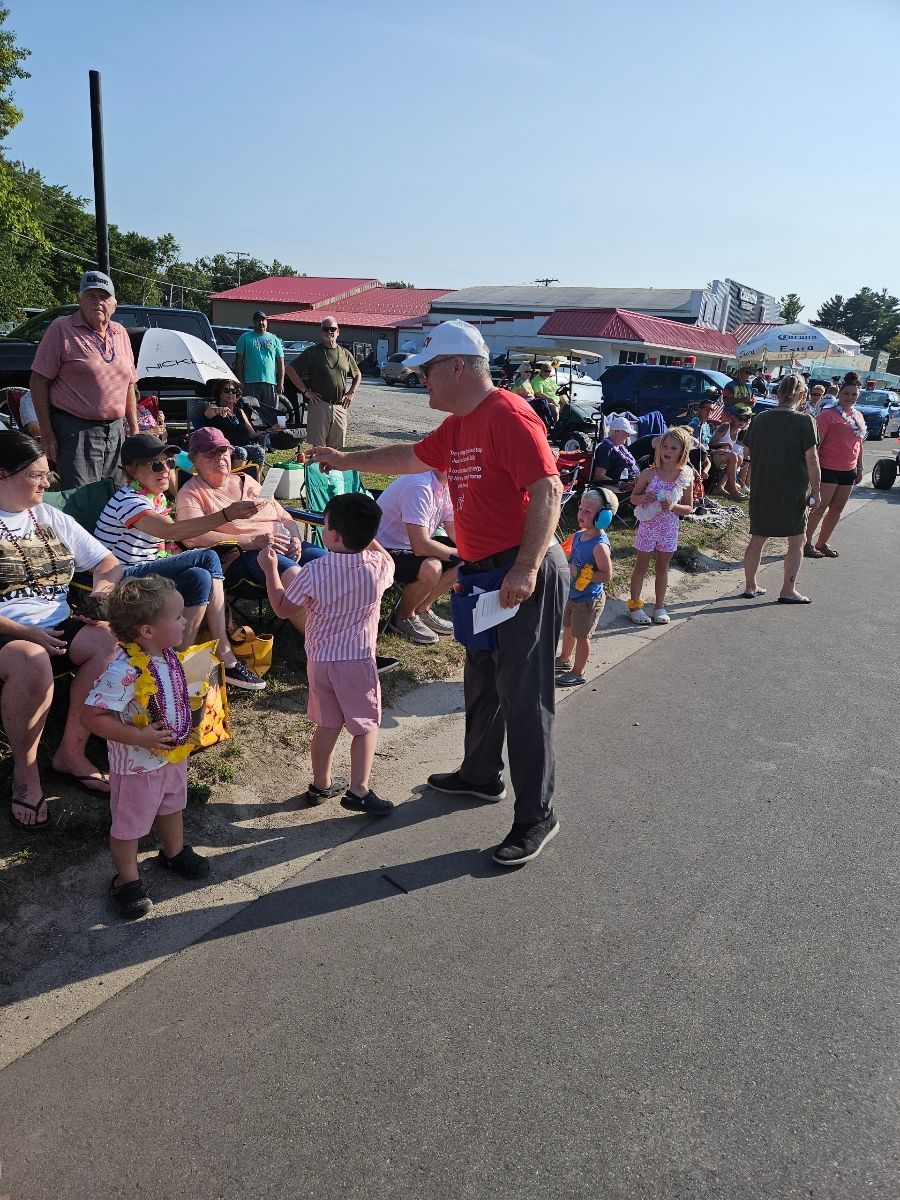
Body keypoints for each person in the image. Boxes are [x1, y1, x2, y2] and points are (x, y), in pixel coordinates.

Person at [306, 318, 566, 868]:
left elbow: (548, 489)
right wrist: (345, 460)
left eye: (426, 370)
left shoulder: (507, 413)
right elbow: (407, 456)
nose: (421, 379)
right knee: (482, 677)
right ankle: (479, 774)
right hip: (483, 572)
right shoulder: (459, 424)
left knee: (524, 696)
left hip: (521, 573)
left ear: (456, 366)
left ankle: (536, 815)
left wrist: (526, 566)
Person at [0, 430, 121, 829]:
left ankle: (70, 752)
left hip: (54, 622)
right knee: (31, 659)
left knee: (108, 639)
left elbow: (108, 564)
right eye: (36, 475)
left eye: (47, 473)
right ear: (3, 474)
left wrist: (99, 600)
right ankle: (26, 772)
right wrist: (25, 632)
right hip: (7, 629)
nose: (47, 482)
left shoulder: (47, 516)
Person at [93, 433, 266, 691]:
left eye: (169, 463)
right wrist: (226, 514)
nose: (165, 470)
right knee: (206, 557)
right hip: (123, 579)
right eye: (155, 465)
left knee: (200, 576)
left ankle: (174, 663)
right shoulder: (128, 501)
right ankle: (225, 652)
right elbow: (171, 532)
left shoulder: (157, 499)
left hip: (147, 574)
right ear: (130, 471)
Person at [82, 576, 211, 919]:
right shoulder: (123, 671)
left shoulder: (168, 657)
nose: (185, 621)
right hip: (137, 767)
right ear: (147, 632)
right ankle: (126, 880)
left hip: (171, 757)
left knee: (172, 805)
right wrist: (139, 737)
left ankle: (173, 852)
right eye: (179, 616)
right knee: (129, 823)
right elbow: (91, 717)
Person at [260, 493, 395, 816]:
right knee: (364, 725)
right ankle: (359, 790)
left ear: (332, 535)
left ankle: (321, 783)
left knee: (328, 724)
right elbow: (385, 557)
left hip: (320, 660)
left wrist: (270, 571)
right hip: (357, 661)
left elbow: (282, 609)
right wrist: (371, 539)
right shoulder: (378, 567)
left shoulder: (314, 571)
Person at [175, 427, 326, 635]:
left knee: (326, 563)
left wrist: (296, 539)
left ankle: (340, 633)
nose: (219, 458)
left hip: (284, 544)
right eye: (210, 454)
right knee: (293, 574)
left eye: (223, 451)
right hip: (242, 556)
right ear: (194, 461)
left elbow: (285, 517)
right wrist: (254, 541)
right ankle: (320, 645)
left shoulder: (249, 481)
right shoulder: (192, 492)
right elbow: (192, 537)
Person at [29, 270, 139, 488]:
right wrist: (47, 433)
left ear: (114, 305)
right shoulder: (61, 328)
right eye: (91, 295)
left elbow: (129, 385)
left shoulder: (121, 333)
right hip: (75, 430)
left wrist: (134, 429)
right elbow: (38, 381)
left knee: (117, 495)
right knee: (82, 498)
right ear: (79, 299)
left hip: (116, 431)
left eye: (103, 296)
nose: (97, 301)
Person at [741, 374, 821, 604]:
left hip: (763, 485)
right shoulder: (805, 421)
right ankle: (788, 589)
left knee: (758, 537)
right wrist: (816, 490)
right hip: (793, 488)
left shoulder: (760, 419)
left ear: (777, 393)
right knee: (797, 540)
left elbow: (747, 453)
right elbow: (812, 459)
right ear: (803, 395)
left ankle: (750, 585)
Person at [376, 469, 459, 644]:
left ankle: (422, 607)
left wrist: (476, 550)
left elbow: (454, 532)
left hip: (409, 547)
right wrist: (460, 554)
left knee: (469, 558)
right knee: (432, 567)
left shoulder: (446, 485)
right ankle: (403, 617)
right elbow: (421, 546)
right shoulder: (419, 485)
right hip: (381, 551)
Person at [626, 427, 694, 626]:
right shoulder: (649, 473)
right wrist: (642, 497)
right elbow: (633, 498)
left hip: (669, 529)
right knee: (641, 566)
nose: (668, 451)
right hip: (648, 526)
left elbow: (689, 508)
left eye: (674, 448)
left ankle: (659, 606)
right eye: (665, 446)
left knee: (662, 568)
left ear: (682, 452)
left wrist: (673, 506)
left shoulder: (685, 477)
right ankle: (634, 606)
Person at [555, 489, 613, 687]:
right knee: (569, 628)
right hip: (573, 594)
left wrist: (581, 575)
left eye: (588, 512)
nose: (581, 514)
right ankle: (564, 659)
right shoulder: (579, 535)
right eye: (581, 509)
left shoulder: (600, 545)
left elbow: (606, 575)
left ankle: (578, 672)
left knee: (582, 636)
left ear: (602, 517)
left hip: (589, 599)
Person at [804, 373, 865, 559]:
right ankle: (806, 543)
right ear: (839, 394)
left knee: (837, 509)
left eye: (854, 394)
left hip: (849, 469)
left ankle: (822, 543)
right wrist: (813, 470)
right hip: (828, 468)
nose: (850, 397)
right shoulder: (827, 415)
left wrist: (860, 467)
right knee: (819, 508)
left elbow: (859, 443)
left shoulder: (858, 415)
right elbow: (817, 444)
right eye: (846, 393)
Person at [285, 317, 361, 449]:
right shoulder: (312, 352)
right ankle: (317, 470)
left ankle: (331, 470)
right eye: (326, 329)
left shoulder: (345, 353)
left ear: (338, 332)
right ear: (321, 332)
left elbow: (358, 374)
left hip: (340, 406)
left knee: (335, 450)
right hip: (320, 404)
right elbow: (290, 369)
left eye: (332, 329)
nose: (329, 332)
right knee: (318, 448)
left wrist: (351, 392)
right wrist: (306, 391)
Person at [234, 311, 285, 431]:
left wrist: (280, 382)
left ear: (267, 322)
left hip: (270, 383)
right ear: (254, 322)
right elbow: (238, 361)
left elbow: (281, 362)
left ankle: (273, 440)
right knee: (250, 413)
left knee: (272, 414)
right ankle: (252, 438)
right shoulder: (245, 338)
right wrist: (240, 381)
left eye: (263, 320)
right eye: (258, 320)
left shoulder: (274, 339)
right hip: (250, 383)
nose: (261, 323)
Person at [202, 379, 267, 467]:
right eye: (226, 391)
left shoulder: (239, 411)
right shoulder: (215, 407)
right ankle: (234, 479)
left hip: (243, 445)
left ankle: (256, 479)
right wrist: (219, 410)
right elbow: (207, 413)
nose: (230, 393)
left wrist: (270, 430)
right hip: (224, 447)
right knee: (241, 452)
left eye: (233, 391)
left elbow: (252, 434)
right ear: (219, 393)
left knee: (259, 451)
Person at [709, 406, 752, 497]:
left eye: (745, 420)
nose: (742, 422)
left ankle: (720, 487)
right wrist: (727, 444)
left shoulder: (739, 432)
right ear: (734, 418)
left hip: (724, 456)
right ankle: (732, 488)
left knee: (740, 458)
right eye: (740, 418)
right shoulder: (725, 427)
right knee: (734, 456)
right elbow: (711, 443)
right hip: (713, 454)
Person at [591, 414, 639, 489]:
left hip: (632, 482)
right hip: (615, 487)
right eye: (626, 433)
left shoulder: (620, 447)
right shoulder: (605, 448)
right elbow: (599, 476)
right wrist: (622, 485)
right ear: (617, 432)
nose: (628, 435)